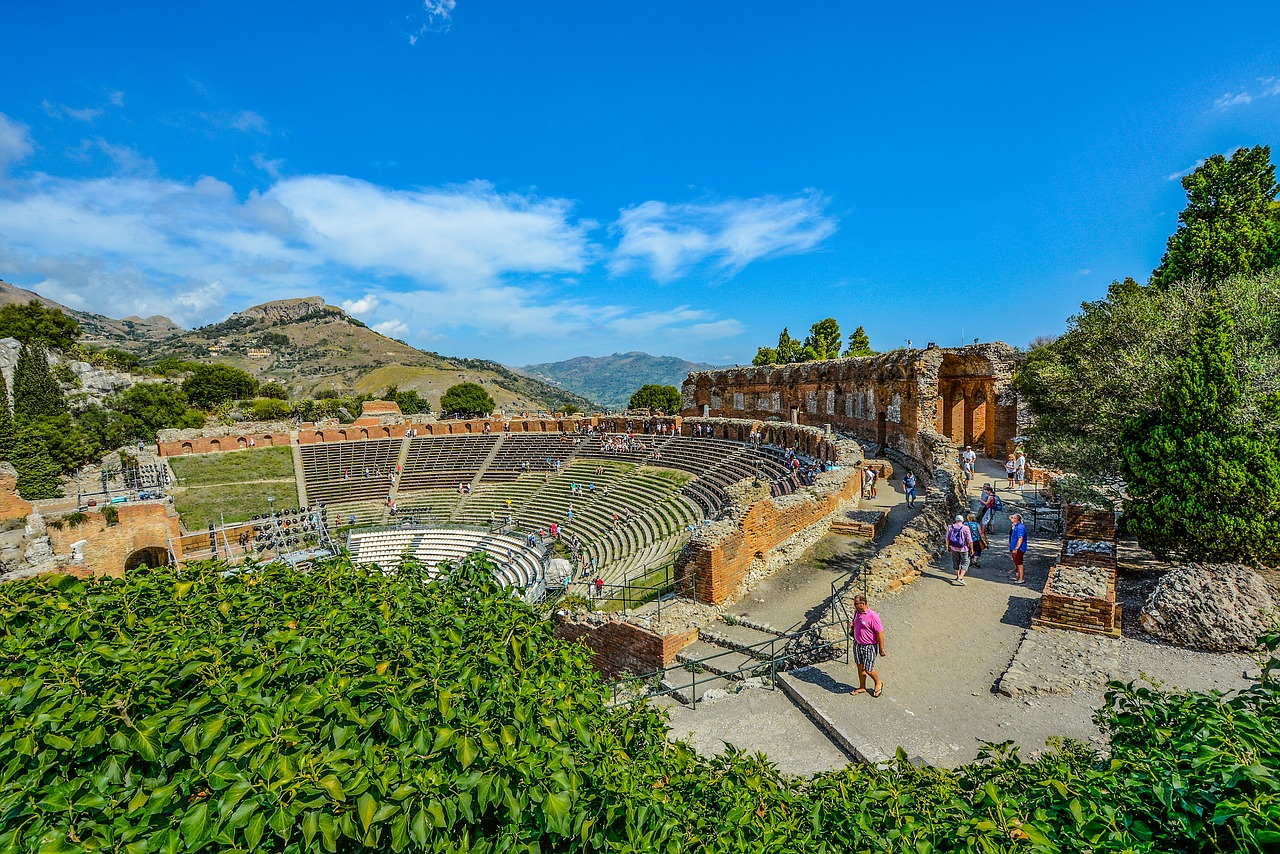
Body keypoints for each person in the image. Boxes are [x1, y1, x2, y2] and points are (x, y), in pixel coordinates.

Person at [848, 594, 886, 698]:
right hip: (857, 644)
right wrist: (852, 625)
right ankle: (862, 687)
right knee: (860, 666)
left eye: (856, 603)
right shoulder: (857, 613)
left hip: (869, 646)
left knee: (868, 669)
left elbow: (880, 633)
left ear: (863, 604)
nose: (854, 605)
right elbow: (858, 623)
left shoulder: (873, 616)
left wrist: (882, 649)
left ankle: (878, 682)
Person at [946, 513, 973, 585]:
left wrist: (947, 546)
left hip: (954, 548)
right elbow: (969, 540)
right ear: (963, 520)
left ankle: (957, 576)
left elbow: (947, 538)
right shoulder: (965, 528)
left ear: (956, 520)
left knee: (956, 562)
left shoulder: (950, 527)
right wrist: (972, 549)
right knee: (966, 562)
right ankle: (960, 577)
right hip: (964, 548)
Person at [1009, 513, 1028, 584]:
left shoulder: (1020, 527)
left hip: (1019, 548)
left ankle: (1021, 578)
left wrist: (1017, 548)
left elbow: (1020, 538)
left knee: (1019, 563)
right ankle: (1018, 577)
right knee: (1017, 562)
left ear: (1017, 519)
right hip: (1015, 547)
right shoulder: (1016, 526)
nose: (1012, 519)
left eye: (1013, 518)